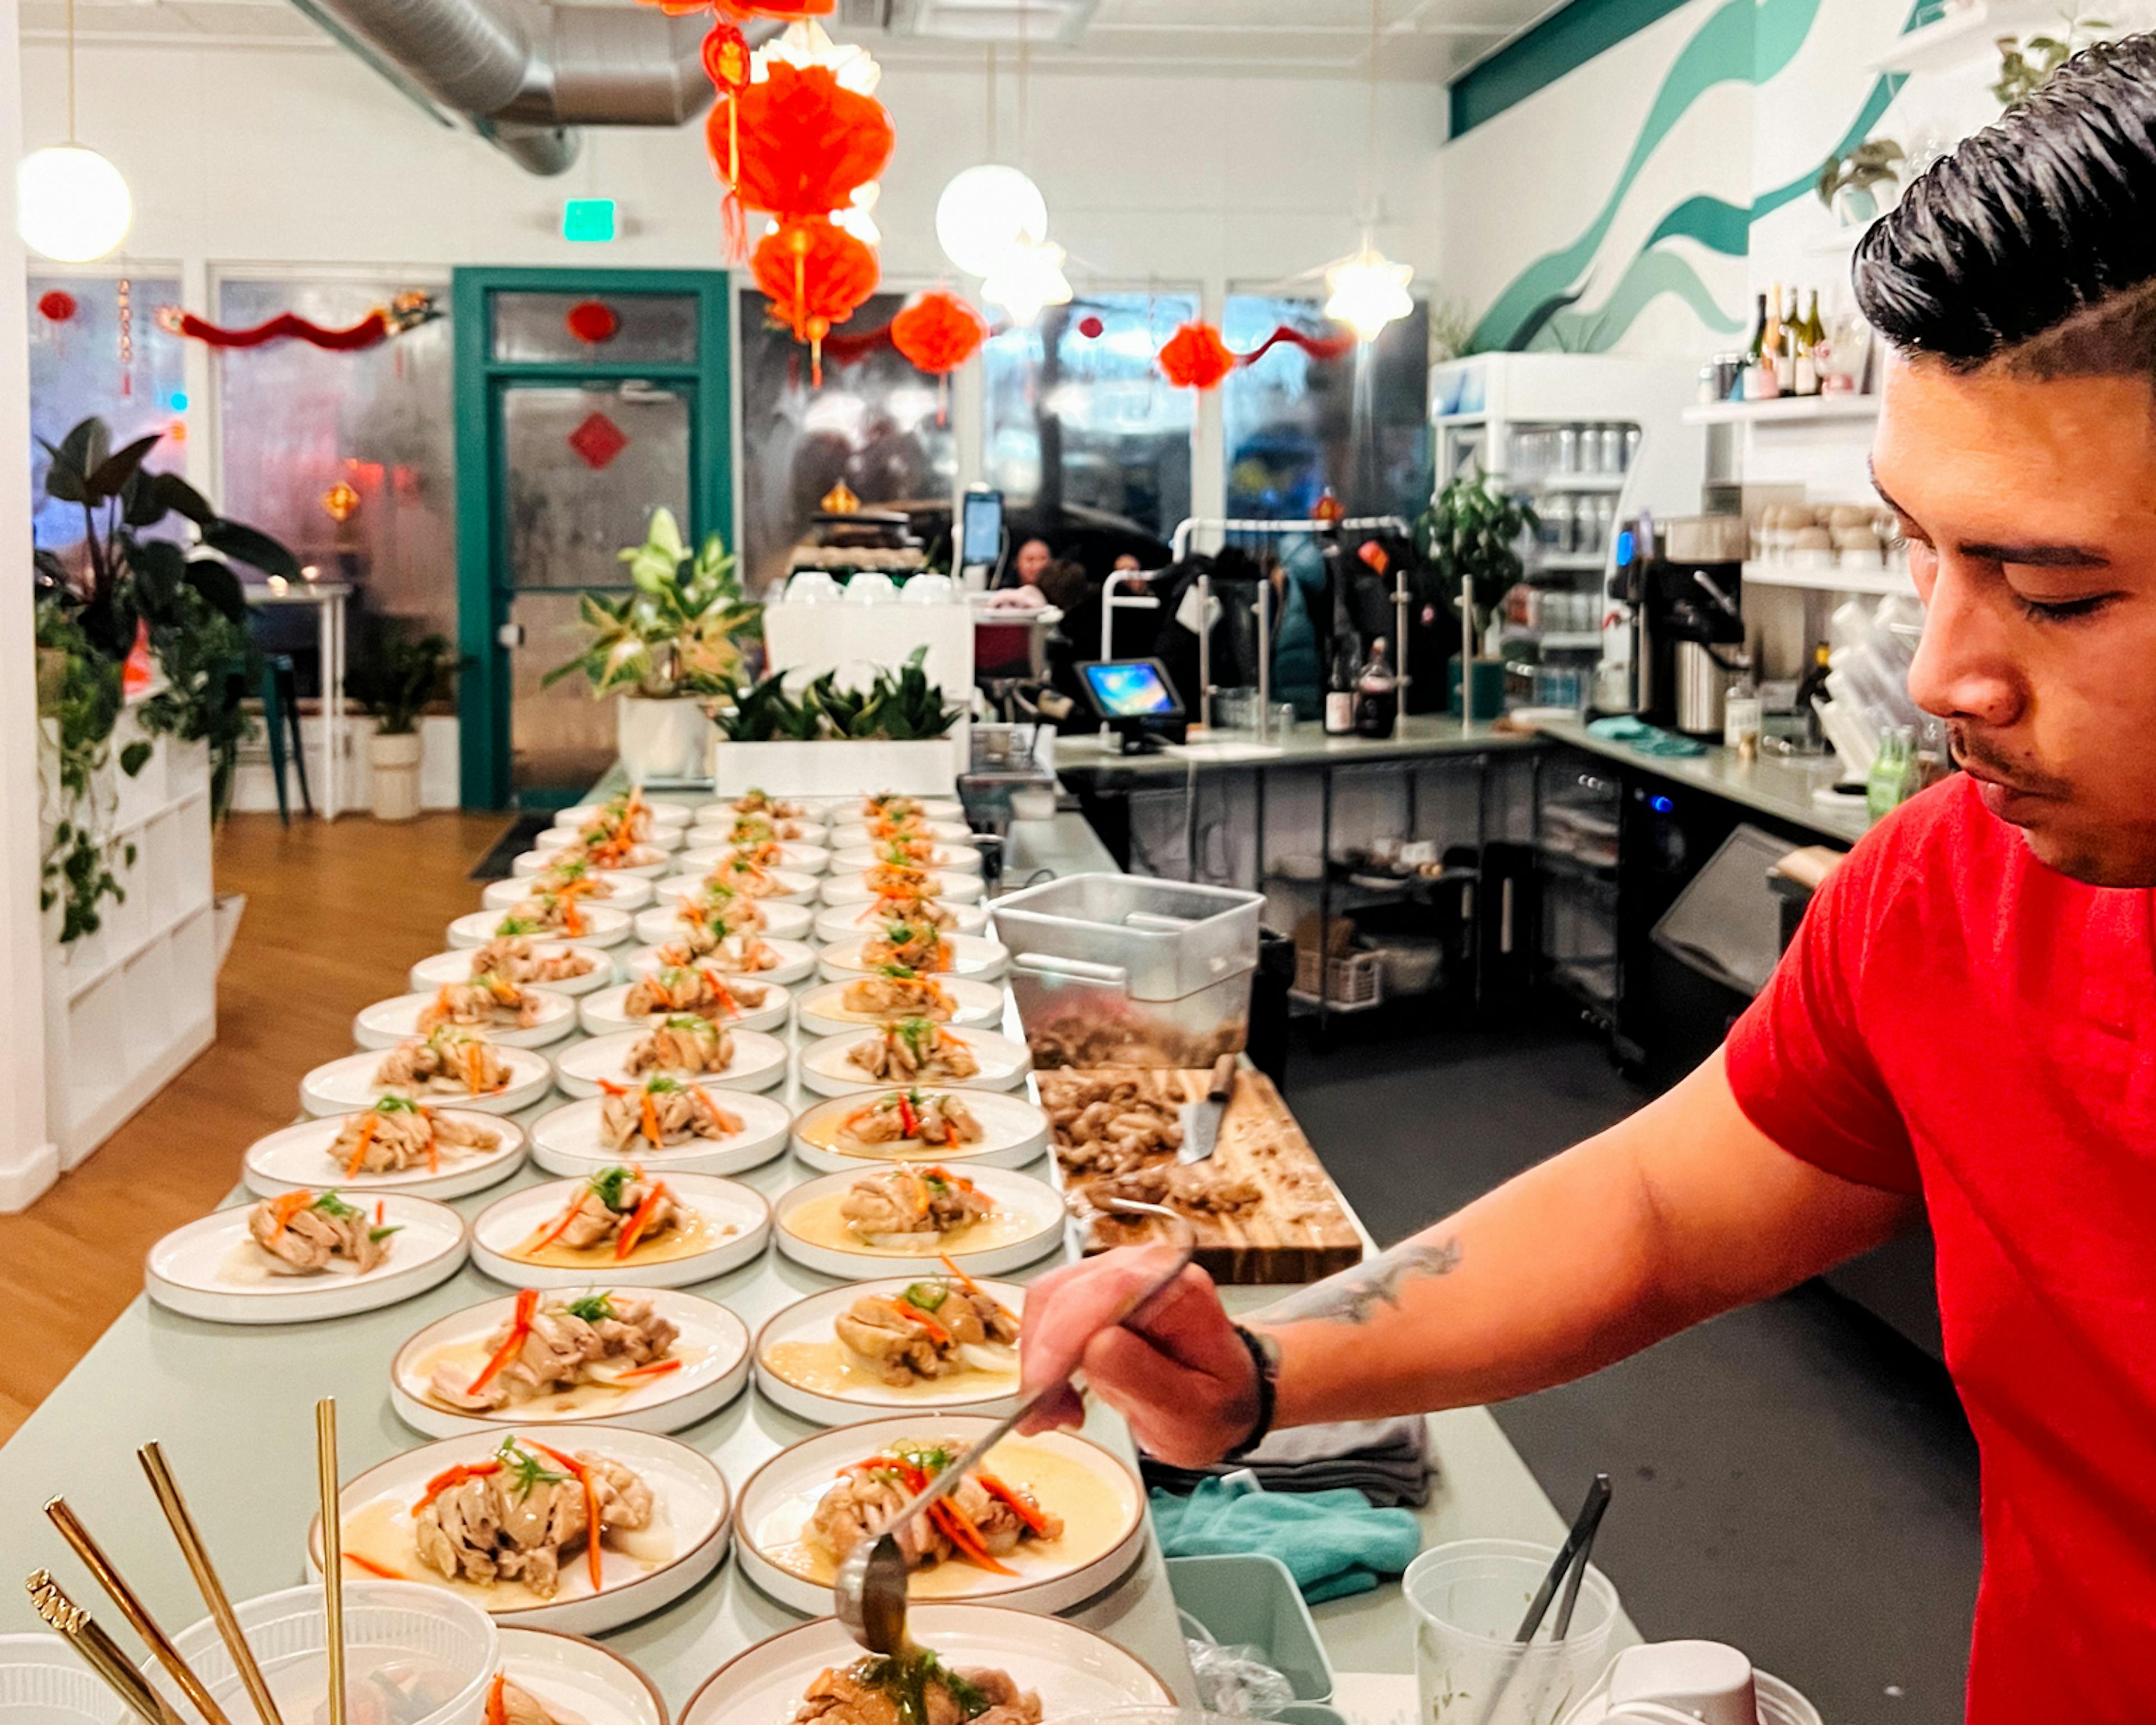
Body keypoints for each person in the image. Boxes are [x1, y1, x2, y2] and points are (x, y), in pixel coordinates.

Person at [1020, 39, 2156, 1721]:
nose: (1939, 672)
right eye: (1922, 548)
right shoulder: (1950, 893)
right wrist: (1263, 1372)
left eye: (2053, 594)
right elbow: (1660, 1206)